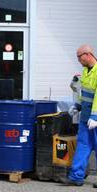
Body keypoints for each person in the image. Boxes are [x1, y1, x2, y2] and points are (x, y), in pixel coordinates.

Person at [64, 45, 97, 187]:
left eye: (79, 56)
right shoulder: (85, 71)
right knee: (83, 146)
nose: (78, 60)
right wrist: (77, 105)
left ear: (88, 54)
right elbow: (84, 93)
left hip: (94, 119)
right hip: (86, 118)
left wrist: (95, 117)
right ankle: (76, 177)